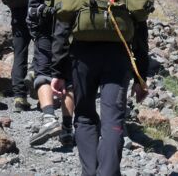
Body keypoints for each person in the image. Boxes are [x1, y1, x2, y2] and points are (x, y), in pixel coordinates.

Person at [51, 18, 150, 175]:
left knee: (84, 116)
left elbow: (63, 22)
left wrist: (58, 70)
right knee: (113, 121)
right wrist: (140, 76)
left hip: (82, 55)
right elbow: (140, 24)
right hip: (118, 53)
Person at [26, 0, 75, 147]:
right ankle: (68, 128)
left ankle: (49, 118)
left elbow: (32, 8)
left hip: (46, 30)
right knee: (69, 80)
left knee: (42, 73)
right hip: (71, 30)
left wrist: (34, 31)